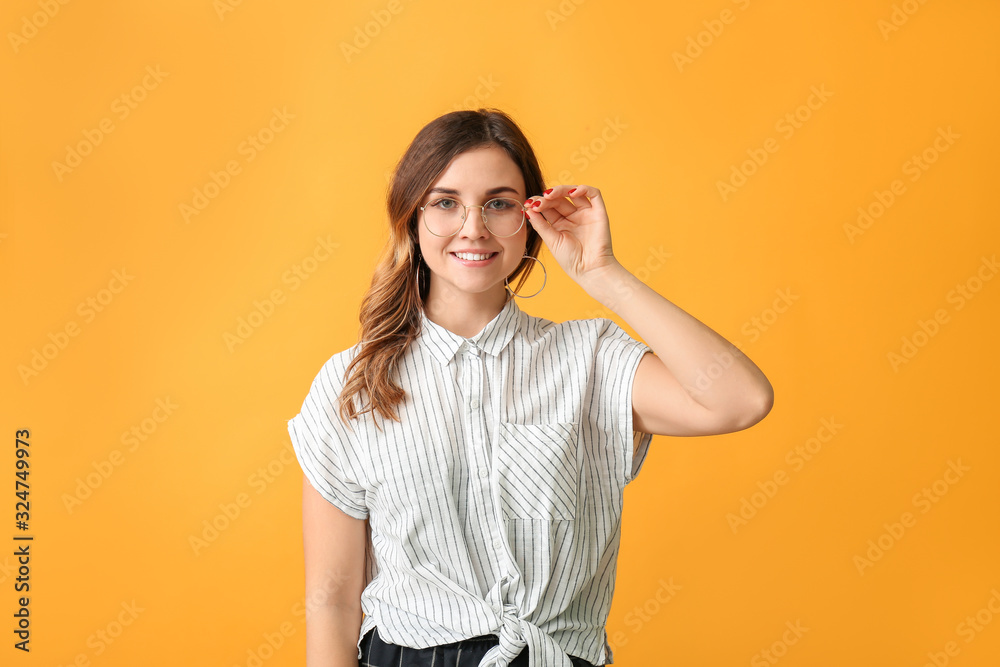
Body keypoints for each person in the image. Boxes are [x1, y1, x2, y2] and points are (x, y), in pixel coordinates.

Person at [286, 108, 773, 667]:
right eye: (446, 202)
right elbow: (332, 602)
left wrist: (602, 273)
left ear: (531, 216)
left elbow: (741, 399)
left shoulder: (589, 359)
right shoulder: (354, 384)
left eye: (499, 202)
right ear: (411, 219)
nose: (474, 227)